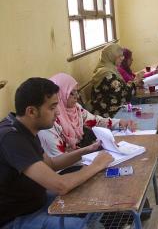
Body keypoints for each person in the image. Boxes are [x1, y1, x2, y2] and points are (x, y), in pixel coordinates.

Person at [0, 78, 113, 228]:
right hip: (16, 218)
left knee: (95, 193)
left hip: (36, 201)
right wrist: (96, 165)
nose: (58, 112)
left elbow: (51, 164)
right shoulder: (11, 138)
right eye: (52, 107)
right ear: (31, 111)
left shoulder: (26, 128)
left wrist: (87, 150)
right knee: (81, 226)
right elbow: (60, 186)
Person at [38, 73, 136, 158]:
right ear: (60, 94)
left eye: (77, 91)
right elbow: (59, 158)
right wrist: (90, 153)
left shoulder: (75, 108)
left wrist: (119, 122)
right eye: (71, 93)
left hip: (82, 156)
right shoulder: (49, 120)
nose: (77, 96)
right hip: (67, 168)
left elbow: (95, 121)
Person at [91, 43, 141, 118]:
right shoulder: (107, 74)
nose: (122, 58)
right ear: (111, 57)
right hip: (107, 113)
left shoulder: (110, 69)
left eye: (122, 55)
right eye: (119, 56)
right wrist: (134, 83)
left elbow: (120, 88)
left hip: (113, 108)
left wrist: (132, 83)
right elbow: (123, 94)